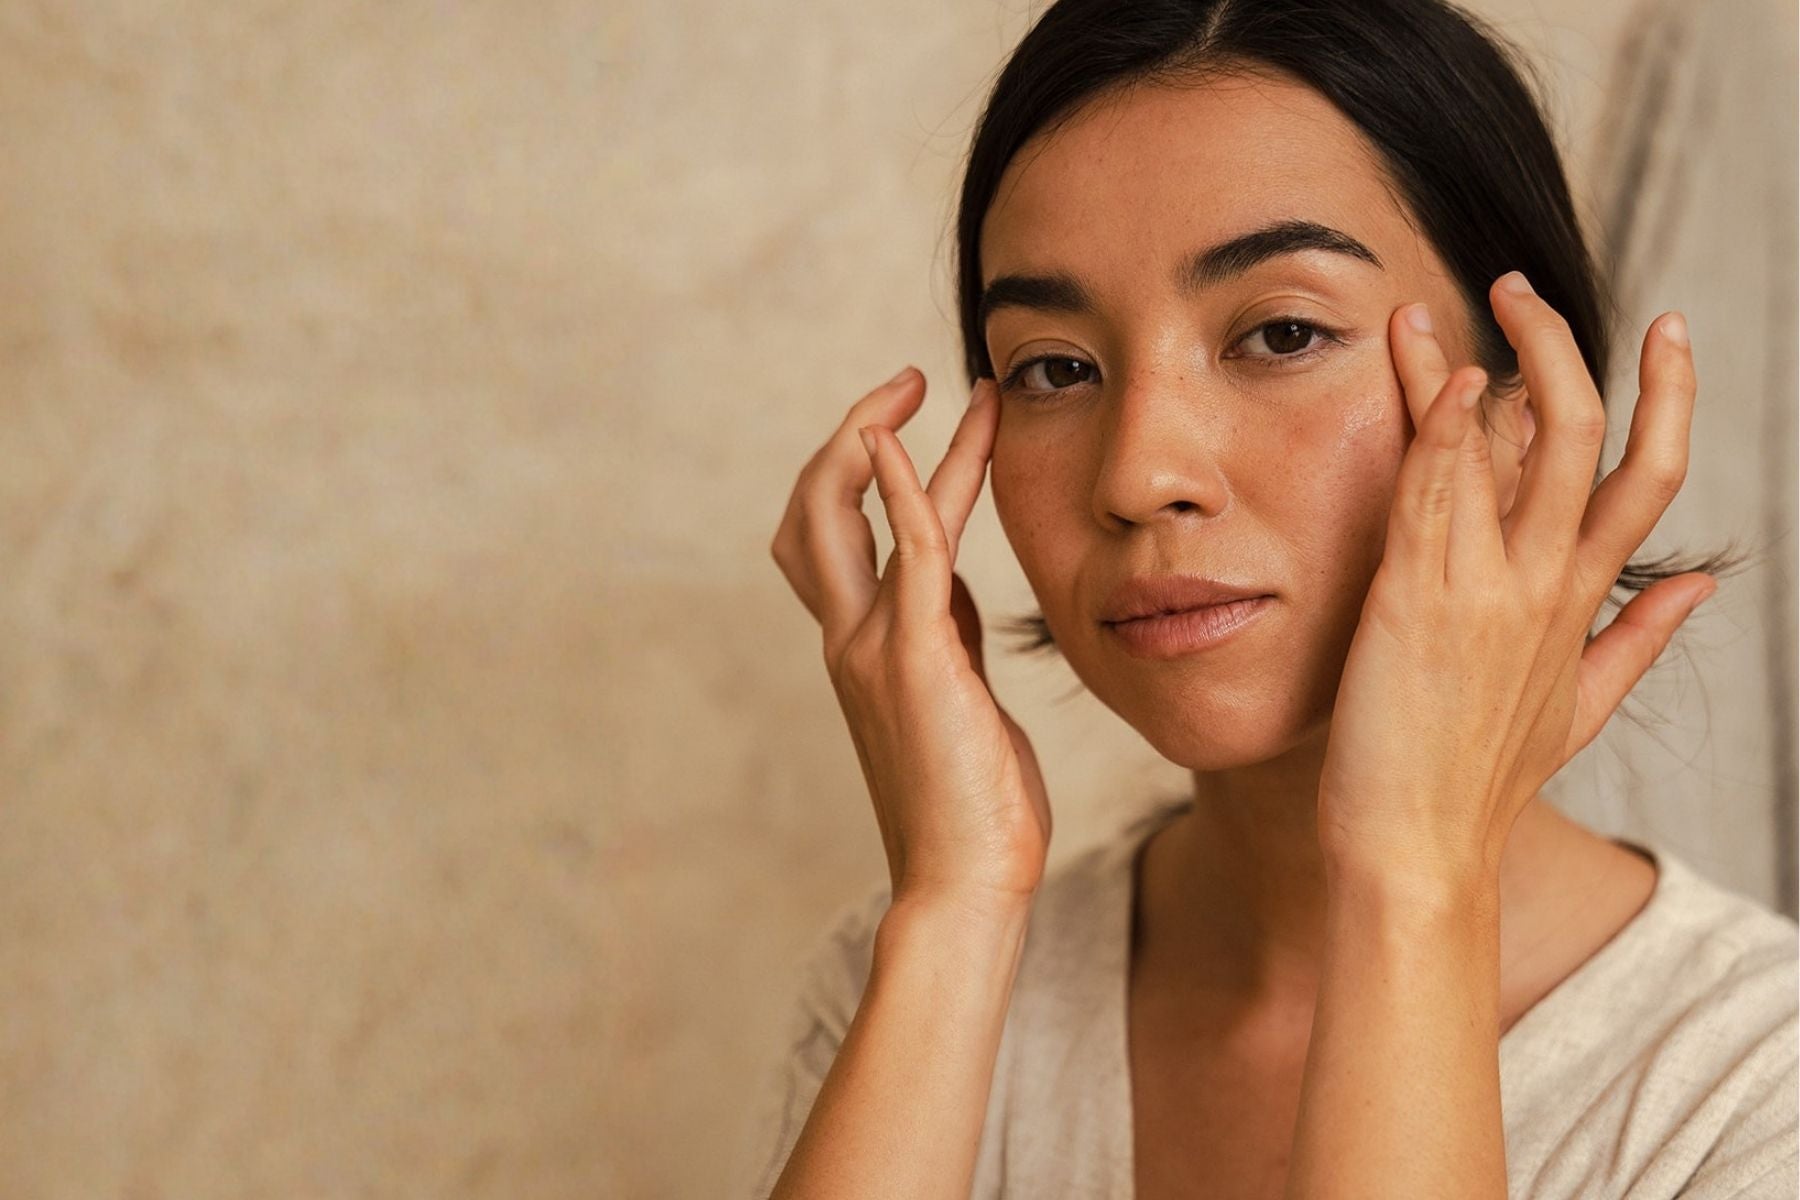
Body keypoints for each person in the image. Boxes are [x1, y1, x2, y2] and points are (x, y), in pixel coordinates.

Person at [753, 0, 1797, 1196]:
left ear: (1529, 405)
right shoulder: (910, 988)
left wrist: (1413, 877)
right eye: (1054, 368)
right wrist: (953, 910)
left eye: (1284, 333)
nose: (1140, 474)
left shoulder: (1752, 1091)